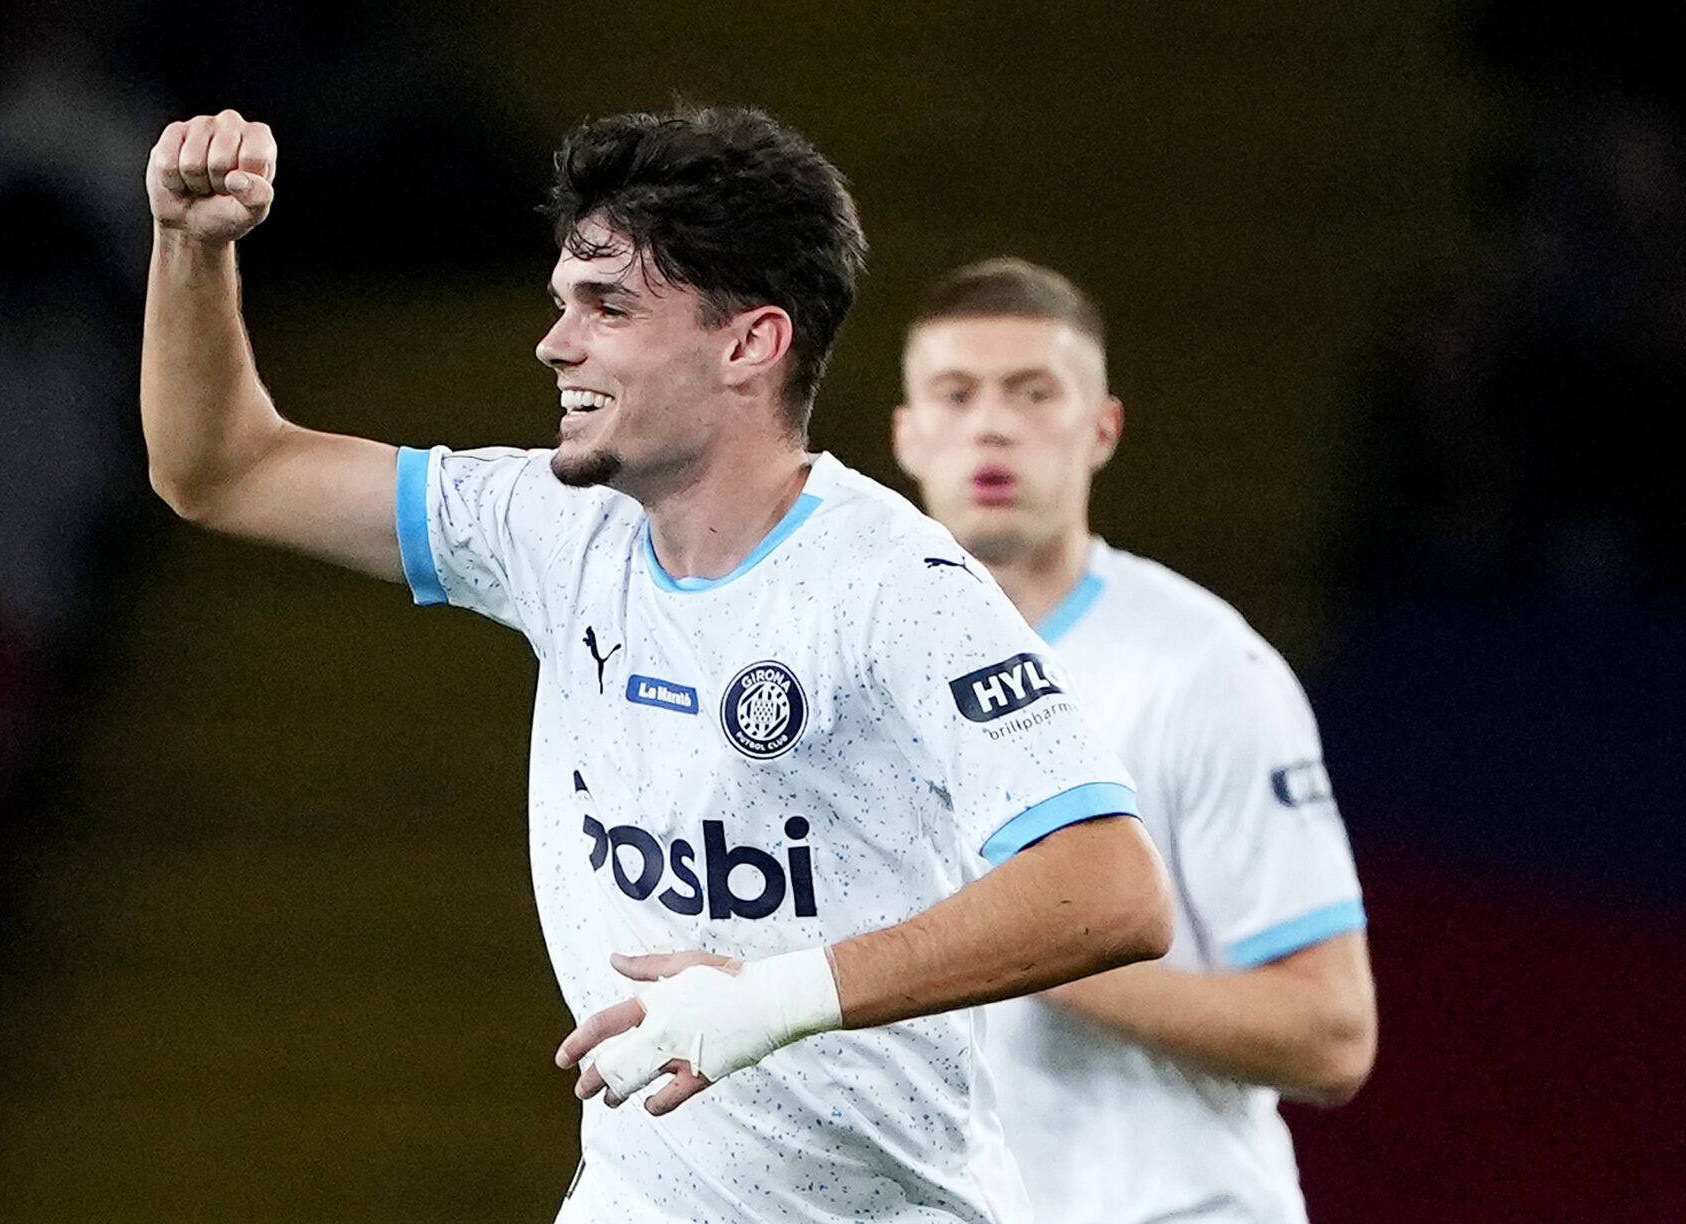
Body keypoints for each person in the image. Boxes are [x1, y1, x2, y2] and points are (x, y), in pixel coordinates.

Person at [140, 108, 1173, 1223]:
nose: (555, 342)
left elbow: (1113, 889)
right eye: (561, 303)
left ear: (749, 344)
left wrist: (775, 999)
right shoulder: (551, 526)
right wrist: (192, 247)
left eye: (608, 306)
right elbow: (223, 470)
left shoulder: (894, 588)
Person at [892, 257, 1378, 1224]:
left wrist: (1032, 947)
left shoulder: (1202, 672)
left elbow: (1332, 1034)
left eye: (1033, 394)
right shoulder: (863, 671)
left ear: (1102, 427)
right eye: (956, 394)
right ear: (908, 433)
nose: (991, 425)